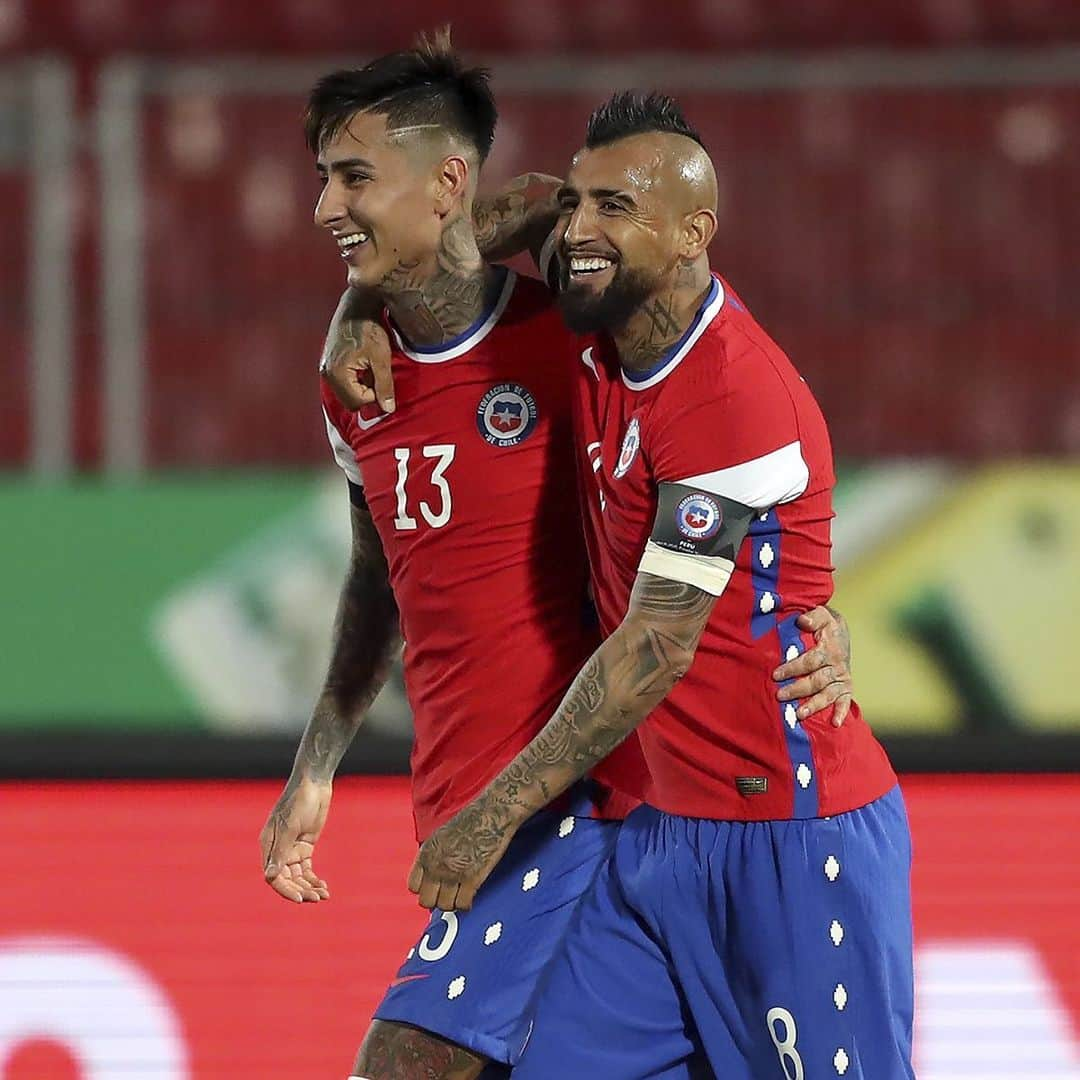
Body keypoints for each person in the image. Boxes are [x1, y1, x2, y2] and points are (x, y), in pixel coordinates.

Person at [261, 32, 857, 1080]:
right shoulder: (354, 387)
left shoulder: (576, 333)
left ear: (448, 181)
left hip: (577, 805)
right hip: (461, 801)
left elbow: (724, 465)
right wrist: (317, 764)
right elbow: (379, 580)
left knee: (402, 1067)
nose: (325, 209)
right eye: (323, 182)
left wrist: (809, 609)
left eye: (353, 179)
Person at [406, 92, 914, 1079]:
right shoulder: (602, 318)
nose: (582, 233)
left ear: (692, 237)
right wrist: (356, 316)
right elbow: (435, 253)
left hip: (791, 841)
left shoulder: (731, 397)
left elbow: (653, 649)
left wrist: (492, 818)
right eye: (579, 206)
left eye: (616, 210)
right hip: (661, 840)